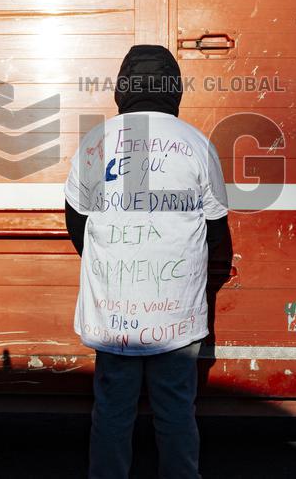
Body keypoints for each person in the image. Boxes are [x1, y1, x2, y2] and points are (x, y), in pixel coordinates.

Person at [64, 44, 230, 479]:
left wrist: (111, 264)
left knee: (113, 414)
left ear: (122, 88)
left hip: (115, 313)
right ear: (174, 89)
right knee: (176, 413)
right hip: (176, 316)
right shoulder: (196, 143)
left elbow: (76, 225)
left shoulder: (96, 141)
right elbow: (218, 234)